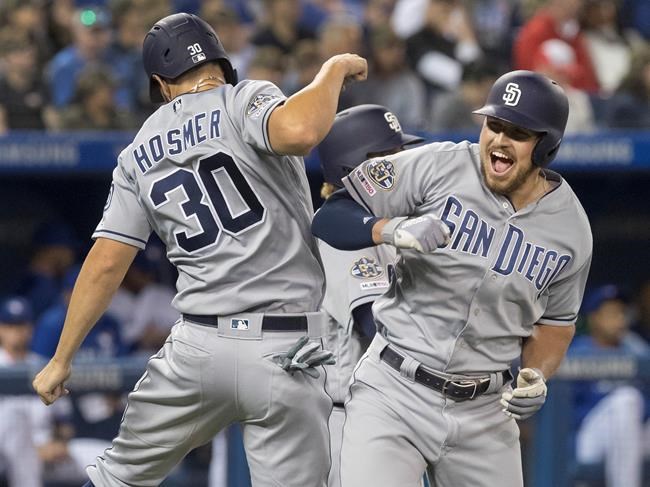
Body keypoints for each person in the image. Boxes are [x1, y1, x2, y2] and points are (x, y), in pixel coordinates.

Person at [32, 12, 367, 487]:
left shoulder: (138, 149)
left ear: (160, 83)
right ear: (220, 63)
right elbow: (301, 132)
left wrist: (62, 358)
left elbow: (107, 261)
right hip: (284, 347)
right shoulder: (245, 97)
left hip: (198, 347)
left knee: (116, 479)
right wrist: (331, 70)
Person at [312, 70, 593, 487]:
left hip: (485, 411)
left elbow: (556, 322)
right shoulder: (439, 163)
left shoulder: (572, 230)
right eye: (494, 125)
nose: (499, 140)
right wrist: (387, 229)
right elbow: (331, 215)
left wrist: (536, 374)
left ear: (546, 146)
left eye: (517, 132)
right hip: (394, 388)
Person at [316, 104, 424, 487]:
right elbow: (376, 325)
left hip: (386, 414)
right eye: (391, 158)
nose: (403, 166)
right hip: (347, 420)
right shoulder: (340, 232)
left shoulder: (387, 228)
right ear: (354, 169)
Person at [569, 285, 650, 487]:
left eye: (622, 312)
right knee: (626, 401)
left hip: (632, 434)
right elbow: (564, 410)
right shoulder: (577, 352)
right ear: (594, 317)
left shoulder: (637, 350)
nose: (620, 320)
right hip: (588, 437)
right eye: (612, 313)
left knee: (628, 404)